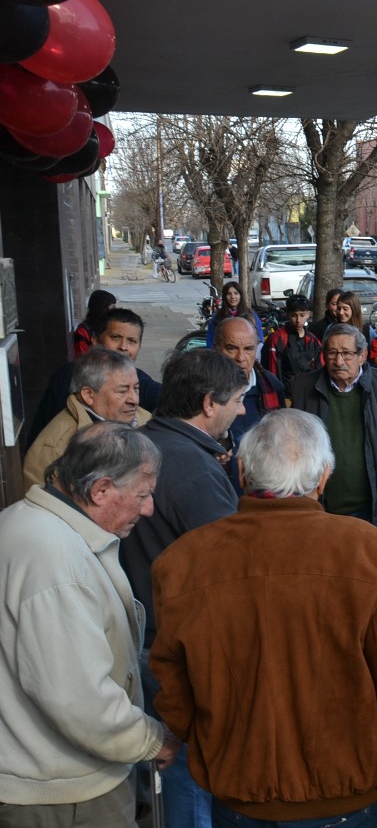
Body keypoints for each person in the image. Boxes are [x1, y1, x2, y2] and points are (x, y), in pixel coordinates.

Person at [149, 410, 377, 826]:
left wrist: (218, 741)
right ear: (324, 477)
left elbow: (173, 685)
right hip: (350, 796)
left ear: (241, 473)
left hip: (242, 793)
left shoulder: (181, 563)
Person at [0, 423, 180, 828]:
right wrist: (151, 740)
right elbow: (78, 699)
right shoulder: (56, 559)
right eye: (143, 495)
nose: (148, 509)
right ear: (100, 490)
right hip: (62, 794)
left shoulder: (25, 523)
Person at [119, 350, 248, 828]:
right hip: (177, 648)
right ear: (209, 403)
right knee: (190, 773)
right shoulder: (192, 468)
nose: (242, 410)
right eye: (237, 400)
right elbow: (231, 569)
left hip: (146, 635)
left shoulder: (145, 442)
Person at [291, 323, 377, 537]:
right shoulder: (304, 388)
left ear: (362, 356)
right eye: (332, 353)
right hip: (322, 513)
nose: (339, 361)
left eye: (347, 354)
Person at [27, 307, 163, 448]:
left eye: (132, 341)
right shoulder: (67, 376)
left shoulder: (139, 380)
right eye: (115, 338)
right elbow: (41, 436)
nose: (123, 347)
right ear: (95, 341)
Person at [23, 348, 151, 488]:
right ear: (88, 395)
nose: (134, 399)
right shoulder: (55, 449)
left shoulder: (147, 420)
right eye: (122, 391)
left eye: (136, 388)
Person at [214, 317, 286, 494]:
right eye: (232, 348)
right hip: (219, 493)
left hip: (262, 496)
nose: (241, 358)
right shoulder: (202, 392)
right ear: (216, 348)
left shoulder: (271, 387)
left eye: (248, 349)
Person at [263, 293, 323, 397]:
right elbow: (272, 370)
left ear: (308, 314)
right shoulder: (277, 339)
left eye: (302, 315)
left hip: (310, 395)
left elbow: (320, 369)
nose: (298, 320)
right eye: (294, 315)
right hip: (285, 395)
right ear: (288, 314)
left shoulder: (314, 341)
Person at [204, 280, 263, 347]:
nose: (232, 297)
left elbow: (259, 340)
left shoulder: (251, 316)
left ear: (241, 295)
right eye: (229, 294)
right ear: (225, 296)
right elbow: (210, 342)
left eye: (236, 293)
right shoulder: (218, 317)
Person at [72, 288, 116, 357]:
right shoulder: (83, 331)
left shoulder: (111, 324)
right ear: (102, 308)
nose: (115, 311)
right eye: (112, 308)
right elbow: (82, 357)